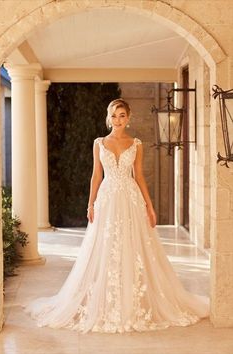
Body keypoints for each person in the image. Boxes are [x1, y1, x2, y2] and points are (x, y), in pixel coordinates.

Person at [24, 98, 209, 333]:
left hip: (130, 199)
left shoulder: (136, 144)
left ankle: (135, 299)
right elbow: (95, 176)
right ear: (108, 117)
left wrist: (149, 206)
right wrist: (90, 204)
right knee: (105, 246)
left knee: (134, 247)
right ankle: (103, 298)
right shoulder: (99, 143)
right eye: (114, 115)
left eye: (122, 115)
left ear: (128, 118)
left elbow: (139, 176)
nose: (118, 120)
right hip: (108, 199)